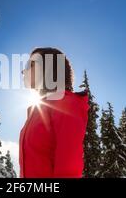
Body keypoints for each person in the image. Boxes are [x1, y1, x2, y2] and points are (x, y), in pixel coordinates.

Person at [19, 47, 89, 178]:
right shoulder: (37, 111)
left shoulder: (66, 105)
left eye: (32, 65)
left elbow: (68, 167)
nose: (24, 71)